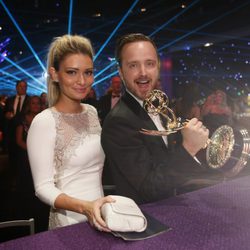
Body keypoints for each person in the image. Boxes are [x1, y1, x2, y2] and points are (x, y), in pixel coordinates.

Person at [101, 33, 221, 204]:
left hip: (177, 205)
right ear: (121, 71)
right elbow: (150, 189)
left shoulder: (160, 106)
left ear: (157, 66)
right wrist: (188, 148)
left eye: (149, 64)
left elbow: (169, 161)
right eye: (133, 65)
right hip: (147, 220)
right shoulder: (118, 122)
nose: (143, 73)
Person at [27, 34, 113, 230]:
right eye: (72, 72)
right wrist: (85, 208)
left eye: (88, 72)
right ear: (55, 74)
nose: (82, 81)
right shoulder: (44, 122)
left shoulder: (91, 112)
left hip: (100, 217)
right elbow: (42, 188)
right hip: (69, 222)